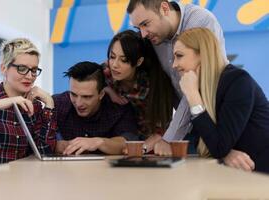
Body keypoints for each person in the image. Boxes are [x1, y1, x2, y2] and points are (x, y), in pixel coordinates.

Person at [127, 0, 252, 166]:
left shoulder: (200, 22)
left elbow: (196, 87)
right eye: (138, 28)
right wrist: (107, 82)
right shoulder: (154, 36)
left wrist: (169, 138)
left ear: (164, 8)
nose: (143, 34)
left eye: (145, 24)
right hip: (192, 125)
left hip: (215, 122)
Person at [173, 27, 269, 173]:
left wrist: (193, 96)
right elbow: (206, 142)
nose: (174, 65)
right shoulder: (203, 87)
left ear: (202, 55)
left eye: (179, 56)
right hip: (240, 176)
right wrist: (226, 153)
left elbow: (218, 146)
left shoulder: (238, 81)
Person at [0, 38, 56, 164]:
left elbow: (44, 153)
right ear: (4, 68)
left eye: (34, 70)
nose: (29, 76)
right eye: (22, 68)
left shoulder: (34, 106)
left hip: (19, 181)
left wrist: (49, 103)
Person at [104, 30, 174, 153]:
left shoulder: (152, 85)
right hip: (118, 141)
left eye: (124, 60)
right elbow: (87, 84)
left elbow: (162, 130)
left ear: (139, 62)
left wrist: (141, 149)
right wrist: (108, 90)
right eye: (112, 57)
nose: (115, 65)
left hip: (152, 145)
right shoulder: (106, 73)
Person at [53, 61, 138, 155]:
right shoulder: (57, 103)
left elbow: (127, 142)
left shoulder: (118, 109)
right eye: (73, 94)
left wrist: (99, 142)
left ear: (101, 94)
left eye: (87, 97)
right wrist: (55, 145)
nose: (78, 103)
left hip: (108, 169)